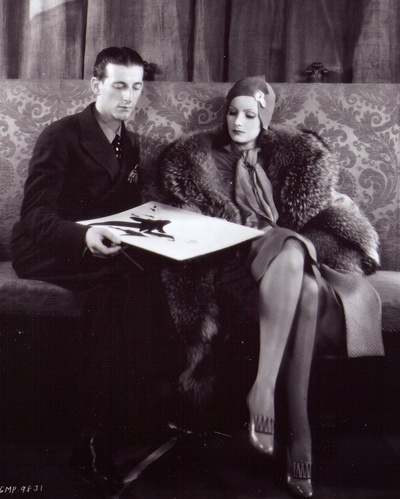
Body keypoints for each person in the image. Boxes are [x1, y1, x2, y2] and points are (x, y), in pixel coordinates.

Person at [159, 76, 384, 497]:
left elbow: (314, 208)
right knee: (299, 268)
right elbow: (185, 214)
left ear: (264, 120)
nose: (238, 122)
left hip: (285, 258)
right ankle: (299, 431)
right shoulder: (203, 160)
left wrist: (335, 205)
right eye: (232, 113)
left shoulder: (288, 158)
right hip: (236, 259)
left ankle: (271, 397)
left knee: (300, 266)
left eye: (250, 115)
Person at [10, 47, 174, 497]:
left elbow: (123, 210)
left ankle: (136, 417)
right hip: (47, 247)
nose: (128, 97)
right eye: (119, 85)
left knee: (149, 281)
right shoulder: (61, 136)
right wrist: (84, 237)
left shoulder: (129, 141)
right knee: (112, 289)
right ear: (96, 85)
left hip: (101, 243)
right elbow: (34, 217)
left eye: (136, 87)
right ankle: (92, 440)